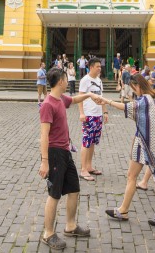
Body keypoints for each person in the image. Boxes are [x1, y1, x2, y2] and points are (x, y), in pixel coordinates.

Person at [98, 74, 155, 230]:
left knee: (148, 178)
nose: (133, 91)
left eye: (133, 87)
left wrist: (107, 101)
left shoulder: (145, 100)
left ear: (137, 86)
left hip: (147, 142)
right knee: (141, 177)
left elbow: (128, 107)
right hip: (147, 141)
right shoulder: (153, 98)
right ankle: (124, 210)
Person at [38, 67, 95, 250]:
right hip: (55, 153)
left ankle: (70, 226)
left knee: (74, 189)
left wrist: (89, 96)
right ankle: (48, 233)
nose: (68, 80)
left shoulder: (61, 99)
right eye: (66, 78)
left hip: (65, 151)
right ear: (61, 81)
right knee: (54, 194)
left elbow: (74, 99)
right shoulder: (48, 104)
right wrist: (45, 161)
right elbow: (44, 135)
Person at [78, 58, 107, 181]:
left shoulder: (99, 80)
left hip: (98, 115)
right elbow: (80, 97)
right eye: (97, 66)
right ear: (90, 67)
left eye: (100, 66)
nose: (99, 68)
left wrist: (104, 111)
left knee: (93, 142)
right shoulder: (85, 80)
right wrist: (82, 113)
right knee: (86, 142)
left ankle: (89, 166)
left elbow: (101, 97)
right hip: (89, 115)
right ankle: (83, 169)